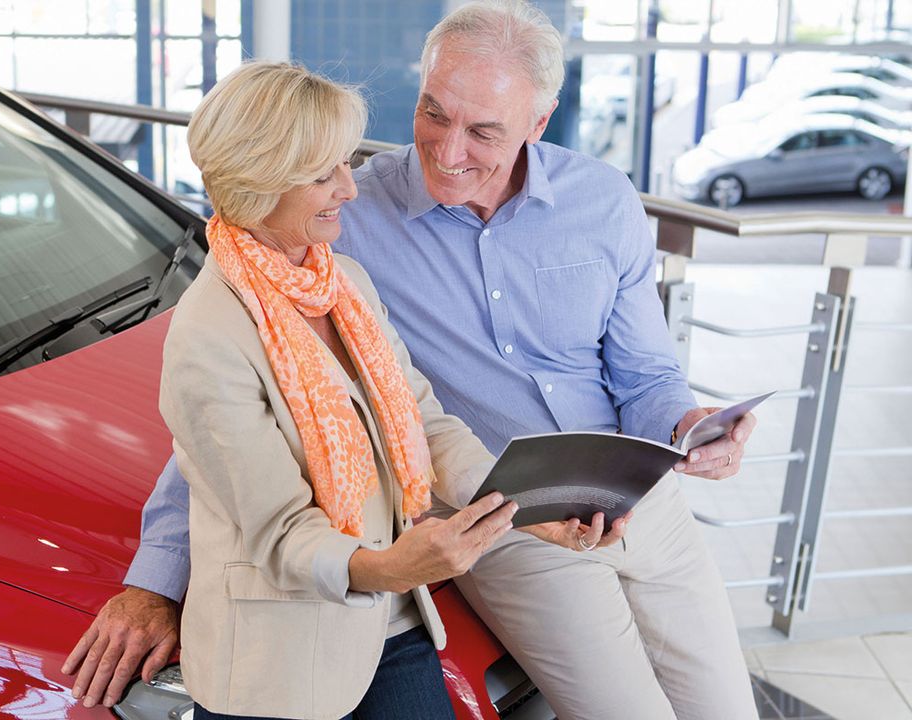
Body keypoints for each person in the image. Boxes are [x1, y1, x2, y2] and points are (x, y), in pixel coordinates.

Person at [63, 2, 760, 719]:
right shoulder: (346, 224)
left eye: (484, 131)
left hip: (640, 498)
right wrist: (158, 577)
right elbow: (235, 420)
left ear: (538, 123)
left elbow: (644, 374)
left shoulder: (603, 201)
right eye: (434, 114)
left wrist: (689, 423)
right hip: (507, 523)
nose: (449, 150)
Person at [140, 60, 519, 719]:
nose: (349, 186)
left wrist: (529, 499)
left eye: (347, 163)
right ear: (257, 182)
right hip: (281, 665)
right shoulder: (208, 335)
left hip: (390, 622)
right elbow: (281, 532)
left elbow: (424, 421)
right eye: (324, 173)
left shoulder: (342, 281)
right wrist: (393, 568)